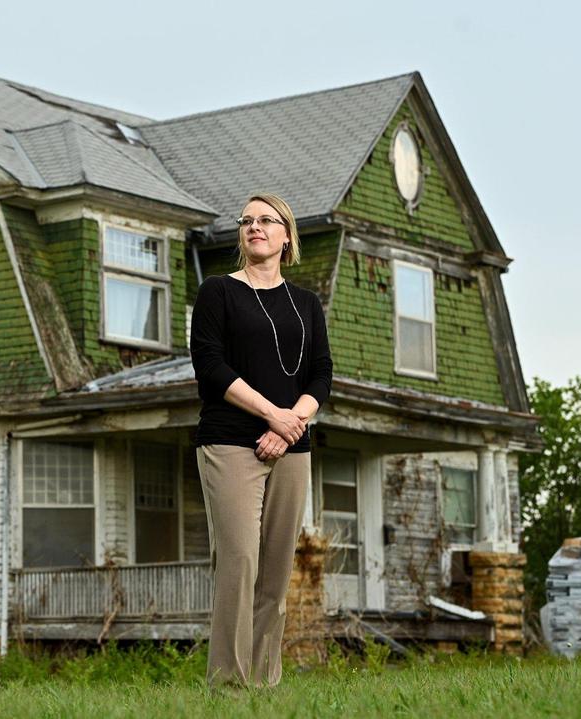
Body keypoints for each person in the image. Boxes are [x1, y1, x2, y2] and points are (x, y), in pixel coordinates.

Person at [189, 192, 332, 687]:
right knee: (240, 561)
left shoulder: (307, 304)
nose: (255, 227)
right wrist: (274, 416)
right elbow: (210, 367)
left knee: (274, 573)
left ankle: (264, 687)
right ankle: (228, 686)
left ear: (286, 234)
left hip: (293, 447)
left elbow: (320, 375)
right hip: (231, 444)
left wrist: (292, 424)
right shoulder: (217, 292)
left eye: (266, 220)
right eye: (246, 221)